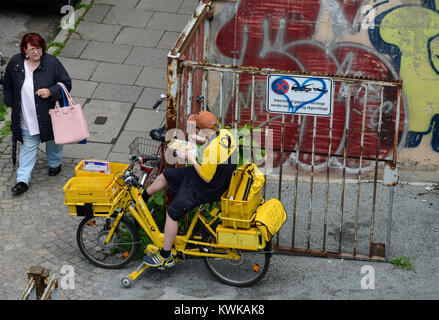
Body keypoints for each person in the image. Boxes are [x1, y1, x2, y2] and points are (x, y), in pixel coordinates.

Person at [142, 111, 238, 268]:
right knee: (167, 175)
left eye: (198, 129)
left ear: (203, 129)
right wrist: (200, 139)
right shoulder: (226, 135)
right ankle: (143, 198)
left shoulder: (212, 150)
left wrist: (190, 158)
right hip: (219, 179)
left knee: (172, 213)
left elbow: (206, 177)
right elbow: (216, 145)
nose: (196, 131)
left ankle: (166, 256)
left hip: (208, 187)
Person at [2, 32, 72, 196]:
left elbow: (66, 83)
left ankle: (55, 164)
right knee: (27, 148)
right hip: (26, 117)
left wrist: (50, 91)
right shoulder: (16, 63)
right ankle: (22, 180)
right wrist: (11, 104)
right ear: (24, 49)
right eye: (32, 49)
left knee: (53, 142)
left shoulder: (52, 63)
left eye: (39, 48)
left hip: (49, 117)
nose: (36, 52)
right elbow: (7, 85)